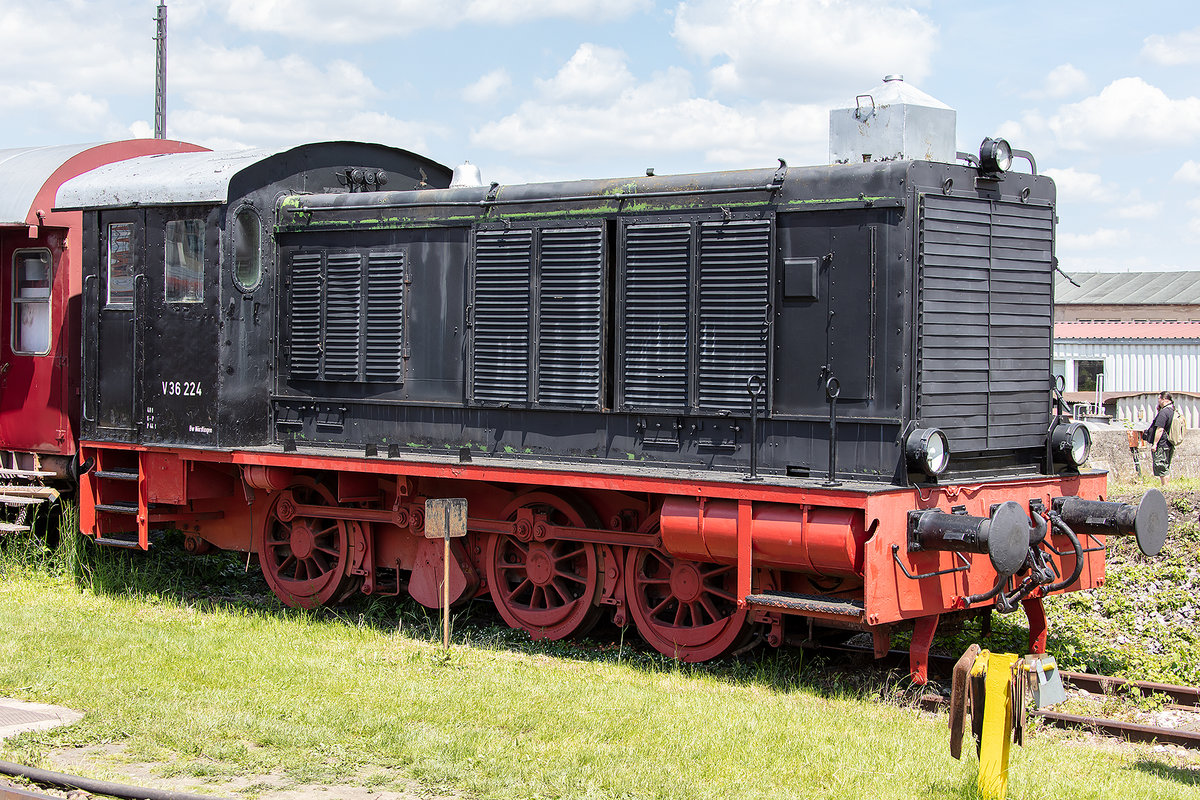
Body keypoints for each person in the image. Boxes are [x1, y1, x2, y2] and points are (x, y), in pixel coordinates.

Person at [1145, 391, 1177, 487]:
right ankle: (1166, 486)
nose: (1158, 400)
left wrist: (1155, 443)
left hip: (1162, 443)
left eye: (1159, 398)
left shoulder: (1164, 412)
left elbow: (1160, 429)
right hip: (1170, 443)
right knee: (1166, 466)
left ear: (1164, 400)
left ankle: (1165, 487)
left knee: (1161, 466)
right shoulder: (1173, 411)